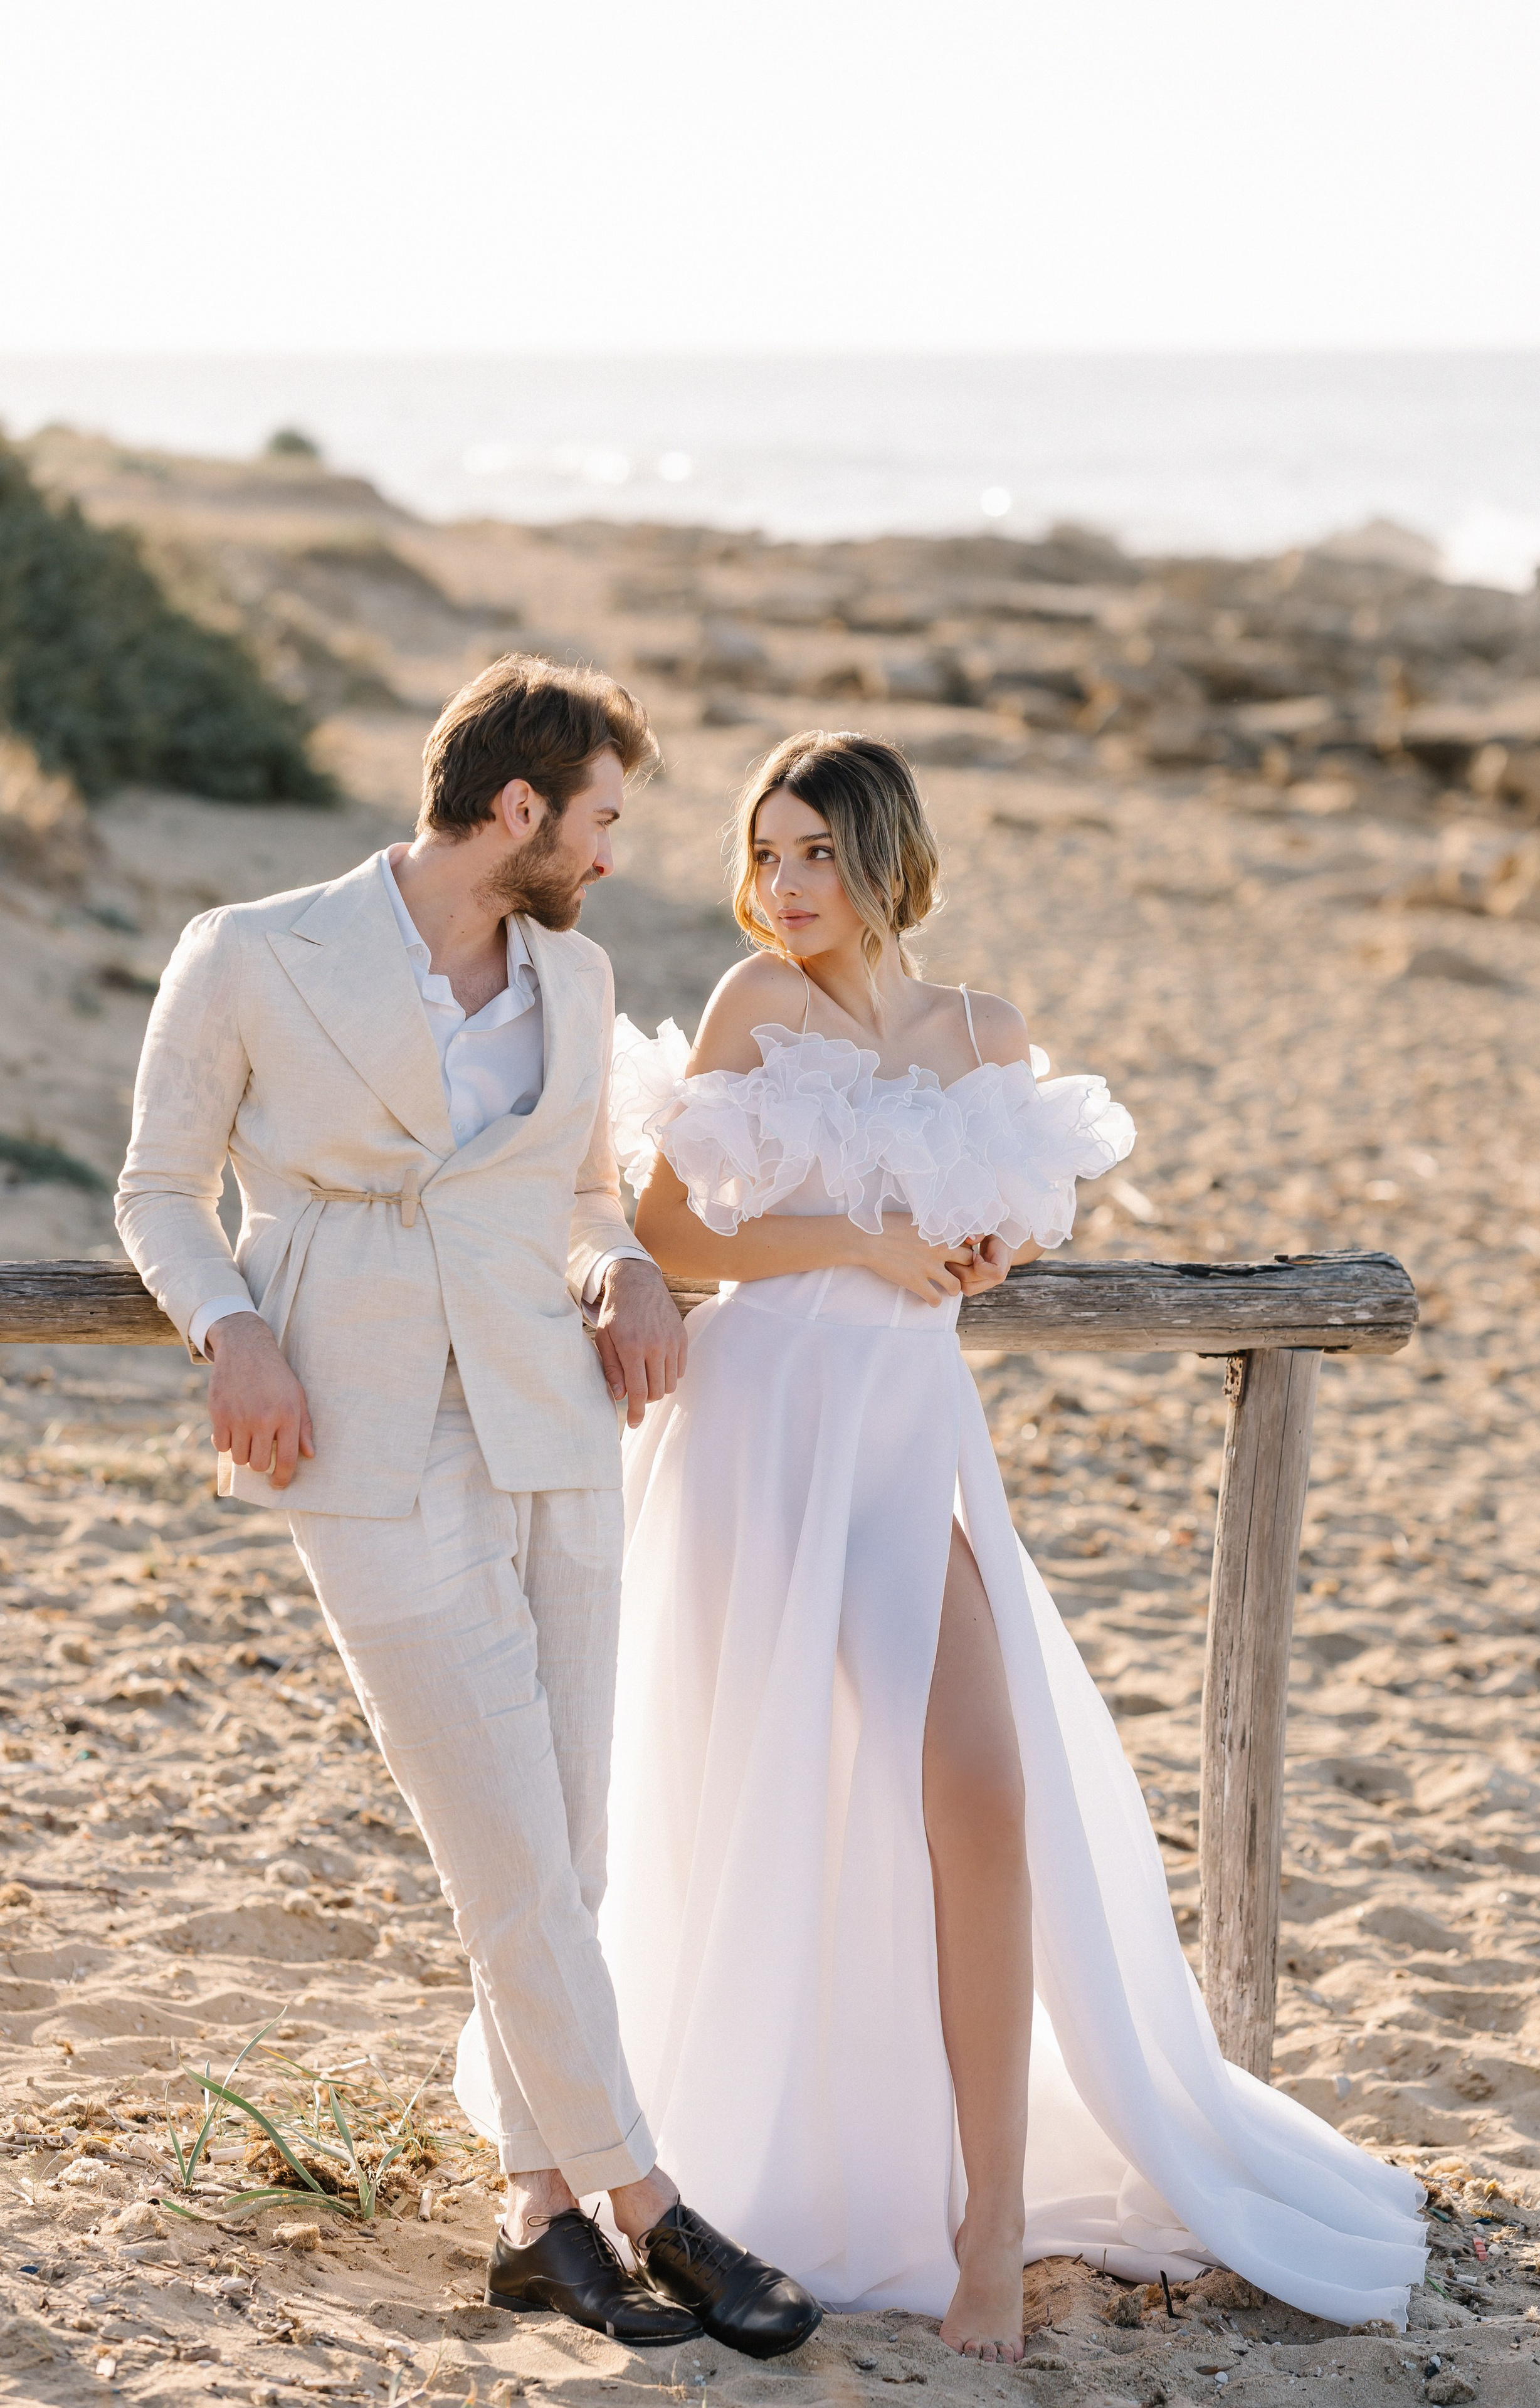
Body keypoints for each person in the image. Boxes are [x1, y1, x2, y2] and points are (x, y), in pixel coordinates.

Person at [583, 730, 1427, 2362]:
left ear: (889, 855)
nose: (785, 886)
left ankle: (988, 2213)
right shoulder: (758, 1008)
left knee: (983, 1788)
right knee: (783, 1795)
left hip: (906, 1440)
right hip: (760, 1432)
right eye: (766, 854)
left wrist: (990, 1239)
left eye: (817, 851)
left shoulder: (987, 1036)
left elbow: (1026, 1207)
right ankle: (756, 2143)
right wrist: (869, 1237)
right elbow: (680, 1231)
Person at [114, 655, 821, 2359]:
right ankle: (652, 2203)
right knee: (505, 1841)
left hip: (557, 1422)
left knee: (564, 1846)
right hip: (355, 1437)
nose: (609, 854)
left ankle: (534, 2213)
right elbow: (155, 1187)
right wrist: (234, 1328)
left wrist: (630, 1269)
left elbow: (580, 1193)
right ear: (516, 811)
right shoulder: (251, 951)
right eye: (598, 820)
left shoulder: (573, 983)